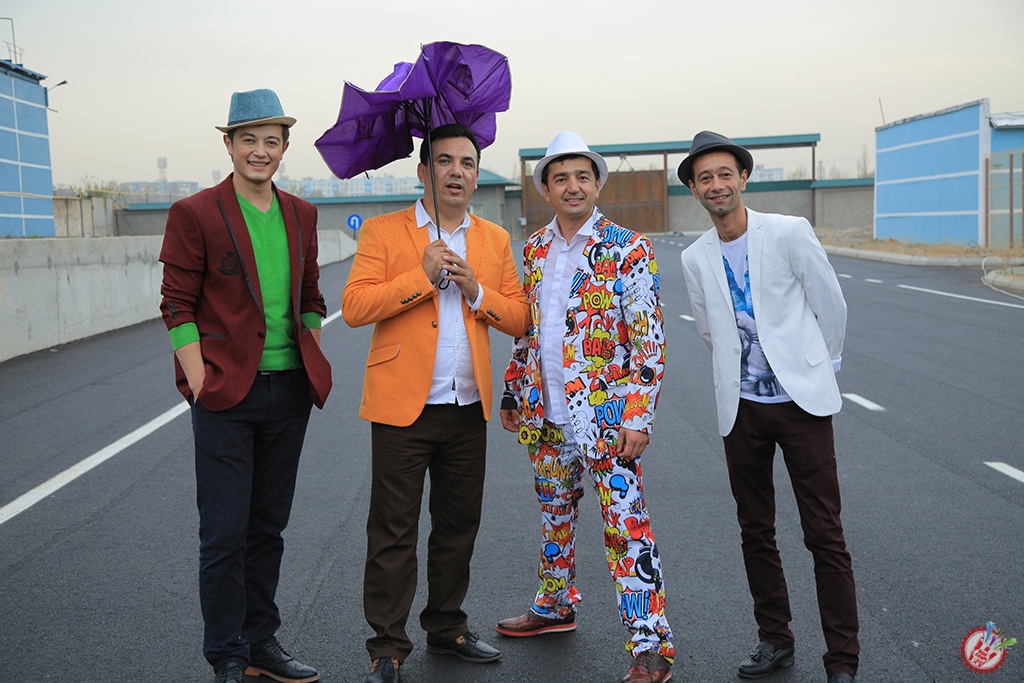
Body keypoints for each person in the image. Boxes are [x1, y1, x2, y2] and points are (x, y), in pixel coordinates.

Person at [342, 123, 530, 683]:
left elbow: (520, 316)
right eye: (444, 161)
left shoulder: (493, 239)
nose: (456, 172)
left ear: (476, 175)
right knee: (392, 531)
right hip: (403, 407)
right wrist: (419, 275)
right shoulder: (384, 231)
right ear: (423, 171)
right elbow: (354, 307)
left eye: (467, 163)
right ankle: (387, 646)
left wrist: (476, 290)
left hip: (467, 406)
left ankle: (448, 628)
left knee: (457, 526)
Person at [159, 89, 332, 683]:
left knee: (268, 529)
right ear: (229, 145)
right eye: (249, 139)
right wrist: (199, 378)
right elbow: (176, 302)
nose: (261, 151)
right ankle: (227, 653)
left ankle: (261, 643)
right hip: (225, 394)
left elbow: (310, 295)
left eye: (272, 141)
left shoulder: (302, 214)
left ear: (284, 148)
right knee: (224, 532)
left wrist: (310, 348)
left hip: (289, 392)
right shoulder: (196, 213)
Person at [678, 131, 859, 683]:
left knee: (824, 533)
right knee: (755, 530)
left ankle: (842, 660)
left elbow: (830, 302)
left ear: (743, 178)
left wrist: (820, 365)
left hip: (801, 407)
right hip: (742, 411)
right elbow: (710, 331)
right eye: (705, 178)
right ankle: (775, 640)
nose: (716, 185)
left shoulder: (787, 231)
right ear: (694, 189)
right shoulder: (694, 257)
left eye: (724, 174)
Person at [498, 131, 674, 683]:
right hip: (546, 416)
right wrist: (513, 388)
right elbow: (528, 332)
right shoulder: (534, 250)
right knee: (554, 516)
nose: (572, 186)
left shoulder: (628, 248)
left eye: (581, 176)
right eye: (560, 178)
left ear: (597, 184)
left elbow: (649, 341)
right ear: (545, 189)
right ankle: (554, 605)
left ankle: (651, 646)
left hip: (607, 422)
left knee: (627, 530)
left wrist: (638, 416)